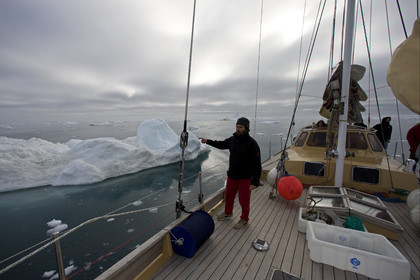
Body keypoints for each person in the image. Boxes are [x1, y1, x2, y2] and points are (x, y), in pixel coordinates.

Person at [199, 117, 262, 229]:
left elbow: (257, 163)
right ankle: (228, 213)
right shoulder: (233, 139)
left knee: (244, 200)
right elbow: (222, 144)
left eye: (240, 127)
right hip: (232, 175)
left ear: (246, 128)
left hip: (245, 177)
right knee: (229, 196)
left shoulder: (252, 143)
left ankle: (244, 219)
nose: (238, 129)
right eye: (237, 126)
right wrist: (207, 141)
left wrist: (255, 181)